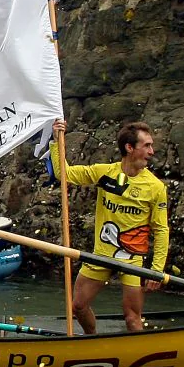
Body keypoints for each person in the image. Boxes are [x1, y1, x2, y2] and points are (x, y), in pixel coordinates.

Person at [50, 120, 169, 335]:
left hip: (132, 260)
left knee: (132, 318)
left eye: (151, 146)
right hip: (102, 255)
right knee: (78, 306)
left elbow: (161, 230)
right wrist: (56, 140)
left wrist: (157, 269)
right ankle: (92, 340)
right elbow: (63, 174)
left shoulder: (155, 187)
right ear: (129, 148)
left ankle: (137, 354)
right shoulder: (104, 173)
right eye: (147, 146)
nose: (152, 151)